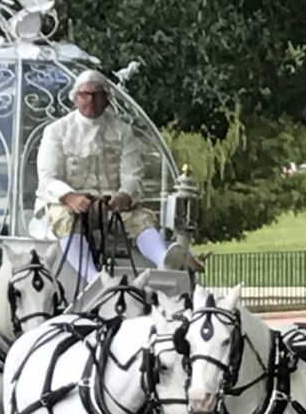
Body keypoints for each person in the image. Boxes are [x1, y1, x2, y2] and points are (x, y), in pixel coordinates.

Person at [35, 69, 196, 281]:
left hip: (111, 205)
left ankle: (163, 259)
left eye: (97, 94)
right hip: (69, 203)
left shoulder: (122, 131)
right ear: (75, 98)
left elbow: (132, 175)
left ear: (108, 99)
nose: (91, 100)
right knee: (63, 218)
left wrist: (124, 196)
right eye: (85, 94)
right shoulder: (57, 130)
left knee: (141, 218)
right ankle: (93, 277)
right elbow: (48, 177)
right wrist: (70, 197)